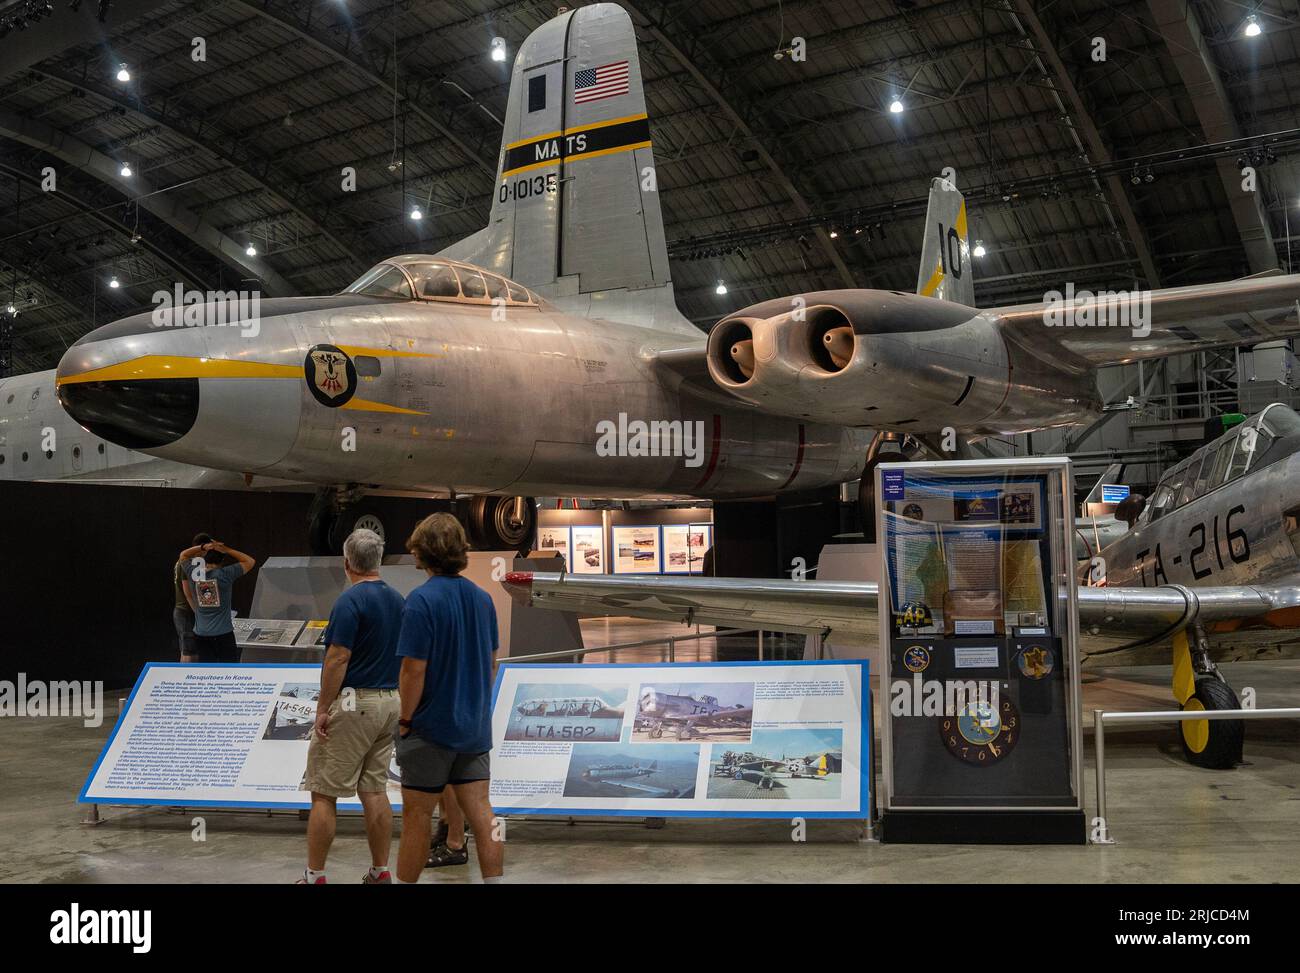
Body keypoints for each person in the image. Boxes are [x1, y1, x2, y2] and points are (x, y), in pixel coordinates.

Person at [393, 513, 504, 884]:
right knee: (483, 814)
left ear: (421, 551)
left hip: (430, 729)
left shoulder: (420, 601)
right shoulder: (483, 599)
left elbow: (413, 670)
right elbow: (491, 662)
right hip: (473, 729)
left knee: (416, 818)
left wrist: (405, 719)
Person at [298, 528, 405, 885]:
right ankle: (380, 870)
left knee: (324, 791)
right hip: (389, 701)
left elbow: (338, 657)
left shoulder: (349, 601)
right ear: (379, 561)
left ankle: (315, 875)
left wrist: (322, 708)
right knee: (374, 790)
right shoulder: (398, 599)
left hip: (354, 702)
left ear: (347, 563)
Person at [177, 537, 255, 663]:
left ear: (204, 559)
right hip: (223, 633)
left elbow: (183, 555)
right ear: (222, 560)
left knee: (208, 670)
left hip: (201, 633)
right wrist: (227, 549)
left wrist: (203, 547)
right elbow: (250, 561)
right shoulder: (226, 574)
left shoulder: (194, 574)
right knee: (229, 669)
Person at [172, 532, 210, 663]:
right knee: (190, 653)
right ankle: (186, 675)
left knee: (187, 650)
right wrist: (199, 613)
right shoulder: (187, 563)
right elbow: (188, 593)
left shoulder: (189, 563)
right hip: (186, 612)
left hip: (186, 611)